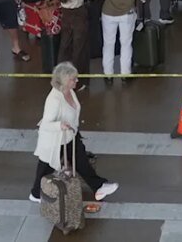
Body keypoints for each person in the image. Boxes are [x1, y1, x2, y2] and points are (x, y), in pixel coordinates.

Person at [29, 62, 119, 203]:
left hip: (70, 135)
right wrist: (60, 125)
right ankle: (35, 193)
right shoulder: (54, 99)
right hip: (56, 139)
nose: (77, 80)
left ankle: (99, 186)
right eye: (73, 79)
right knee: (46, 166)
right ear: (64, 80)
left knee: (81, 162)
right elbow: (46, 124)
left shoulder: (69, 91)